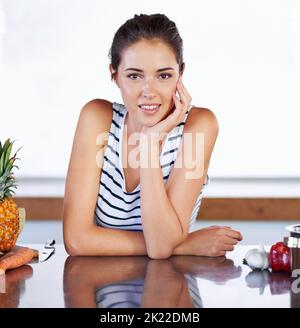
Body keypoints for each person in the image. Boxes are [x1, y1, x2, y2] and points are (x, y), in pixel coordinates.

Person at [63, 13, 243, 259]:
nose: (149, 92)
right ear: (114, 74)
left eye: (164, 75)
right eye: (134, 76)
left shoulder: (198, 126)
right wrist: (183, 245)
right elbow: (76, 240)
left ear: (180, 74)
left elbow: (161, 249)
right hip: (102, 285)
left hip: (170, 289)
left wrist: (149, 145)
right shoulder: (97, 118)